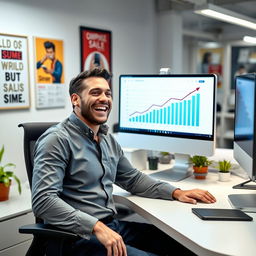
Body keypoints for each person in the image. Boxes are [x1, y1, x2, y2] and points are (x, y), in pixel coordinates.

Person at [32, 68, 216, 256]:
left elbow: (132, 179)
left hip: (111, 226)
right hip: (76, 237)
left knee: (183, 245)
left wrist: (176, 192)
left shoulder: (106, 139)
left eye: (108, 93)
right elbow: (43, 201)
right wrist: (95, 227)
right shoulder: (56, 139)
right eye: (95, 93)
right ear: (75, 100)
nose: (104, 98)